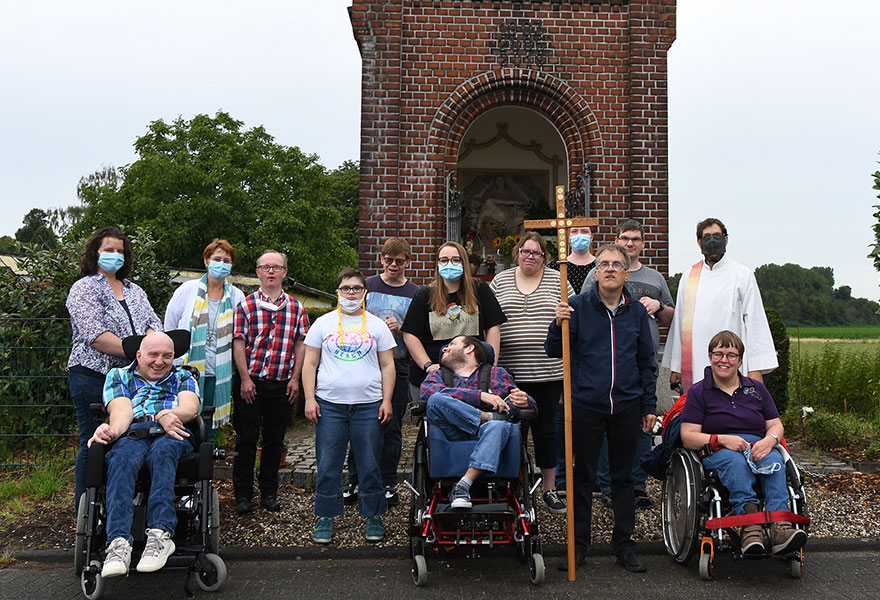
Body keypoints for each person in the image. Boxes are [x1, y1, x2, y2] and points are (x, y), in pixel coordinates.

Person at [546, 244, 657, 573]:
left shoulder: (635, 311)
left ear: (626, 273)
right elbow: (555, 350)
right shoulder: (577, 306)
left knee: (623, 479)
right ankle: (579, 546)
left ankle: (624, 546)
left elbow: (646, 362)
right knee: (583, 478)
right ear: (595, 273)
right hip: (587, 405)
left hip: (626, 405)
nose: (609, 269)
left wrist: (648, 405)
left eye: (616, 265)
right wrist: (557, 323)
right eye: (604, 264)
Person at [680, 330, 807, 556]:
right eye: (718, 354)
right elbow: (688, 435)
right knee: (735, 463)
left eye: (731, 355)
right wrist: (721, 439)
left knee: (775, 460)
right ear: (710, 357)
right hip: (718, 449)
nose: (724, 360)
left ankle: (780, 527)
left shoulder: (756, 389)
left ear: (740, 360)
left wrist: (770, 440)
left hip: (757, 445)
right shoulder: (699, 392)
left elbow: (776, 424)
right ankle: (750, 527)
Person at [88, 331, 200, 578]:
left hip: (172, 430)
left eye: (167, 356)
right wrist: (110, 431)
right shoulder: (119, 376)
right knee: (121, 458)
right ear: (139, 355)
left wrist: (168, 415)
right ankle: (118, 542)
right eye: (153, 355)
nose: (160, 361)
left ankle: (160, 534)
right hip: (133, 430)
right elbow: (121, 412)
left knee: (163, 452)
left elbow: (190, 408)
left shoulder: (183, 376)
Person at [66, 226, 162, 513]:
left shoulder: (135, 290)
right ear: (95, 253)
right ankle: (86, 509)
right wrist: (139, 352)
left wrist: (147, 351)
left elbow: (153, 326)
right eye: (109, 250)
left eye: (120, 251)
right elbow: (95, 335)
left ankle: (123, 504)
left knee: (127, 440)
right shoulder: (84, 288)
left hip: (130, 379)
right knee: (94, 441)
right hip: (92, 375)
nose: (115, 255)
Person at [582, 219, 675, 510]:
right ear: (617, 241)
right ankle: (608, 484)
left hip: (641, 362)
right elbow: (585, 309)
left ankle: (638, 483)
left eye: (635, 239)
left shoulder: (656, 278)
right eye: (624, 238)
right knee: (608, 428)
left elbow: (671, 318)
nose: (630, 243)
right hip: (606, 364)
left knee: (642, 424)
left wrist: (659, 307)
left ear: (643, 244)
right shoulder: (598, 274)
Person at [302, 268, 397, 544]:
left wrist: (387, 399)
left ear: (364, 292)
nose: (351, 293)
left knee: (369, 463)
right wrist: (310, 398)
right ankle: (326, 517)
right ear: (338, 292)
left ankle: (373, 515)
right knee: (328, 463)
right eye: (346, 289)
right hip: (330, 406)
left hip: (369, 405)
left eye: (356, 288)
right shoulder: (323, 324)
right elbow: (310, 363)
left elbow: (388, 364)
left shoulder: (376, 325)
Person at [490, 231, 574, 514]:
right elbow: (489, 319)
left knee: (546, 429)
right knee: (510, 429)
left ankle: (549, 489)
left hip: (548, 371)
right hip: (509, 373)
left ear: (544, 257)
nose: (530, 256)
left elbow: (572, 315)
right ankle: (511, 486)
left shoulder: (558, 280)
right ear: (517, 253)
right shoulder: (500, 281)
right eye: (526, 251)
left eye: (536, 252)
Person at [343, 238, 419, 507]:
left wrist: (401, 329)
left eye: (399, 261)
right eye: (389, 259)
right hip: (362, 366)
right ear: (381, 259)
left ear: (408, 262)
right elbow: (348, 317)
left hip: (398, 367)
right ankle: (354, 479)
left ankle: (387, 481)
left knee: (392, 427)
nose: (394, 265)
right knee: (358, 426)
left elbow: (419, 332)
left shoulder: (415, 293)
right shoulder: (368, 287)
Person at [232, 250, 309, 515]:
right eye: (266, 267)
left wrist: (296, 379)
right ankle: (242, 494)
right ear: (258, 273)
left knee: (275, 441)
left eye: (277, 267)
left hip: (282, 384)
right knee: (246, 440)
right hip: (250, 383)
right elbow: (239, 342)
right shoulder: (246, 304)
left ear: (285, 273)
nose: (272, 272)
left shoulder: (297, 308)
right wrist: (244, 378)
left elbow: (301, 345)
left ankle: (269, 492)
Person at [663, 217, 777, 392]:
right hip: (695, 363)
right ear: (699, 242)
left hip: (732, 362)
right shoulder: (689, 277)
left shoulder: (742, 275)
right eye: (706, 237)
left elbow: (755, 322)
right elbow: (680, 324)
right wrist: (677, 366)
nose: (712, 241)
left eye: (717, 236)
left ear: (726, 239)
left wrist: (756, 369)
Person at [421, 335, 536, 508]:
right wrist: (481, 396)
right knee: (436, 399)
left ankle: (463, 485)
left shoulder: (497, 374)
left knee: (498, 425)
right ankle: (487, 418)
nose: (444, 349)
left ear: (469, 349)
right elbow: (428, 395)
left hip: (491, 433)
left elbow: (530, 407)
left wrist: (526, 400)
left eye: (451, 344)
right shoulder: (437, 375)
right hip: (451, 432)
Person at [401, 241, 506, 402]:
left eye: (456, 260)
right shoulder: (424, 295)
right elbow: (410, 334)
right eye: (444, 260)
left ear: (464, 262)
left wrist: (491, 364)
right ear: (437, 264)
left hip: (474, 375)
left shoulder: (480, 289)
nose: (449, 264)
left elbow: (493, 328)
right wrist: (428, 365)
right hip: (434, 376)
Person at [164, 239, 245, 440]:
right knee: (184, 418)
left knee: (209, 421)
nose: (221, 263)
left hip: (219, 371)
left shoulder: (236, 296)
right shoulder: (187, 290)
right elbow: (170, 326)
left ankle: (205, 463)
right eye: (217, 258)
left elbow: (240, 335)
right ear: (206, 261)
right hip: (187, 369)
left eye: (227, 260)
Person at [548, 223, 595, 492]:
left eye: (584, 232)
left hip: (590, 344)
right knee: (562, 414)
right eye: (573, 232)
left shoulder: (600, 266)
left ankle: (591, 477)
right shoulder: (557, 268)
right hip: (565, 338)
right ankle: (563, 476)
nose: (578, 237)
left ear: (592, 236)